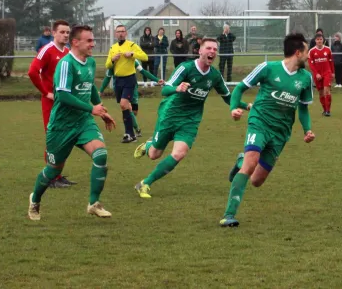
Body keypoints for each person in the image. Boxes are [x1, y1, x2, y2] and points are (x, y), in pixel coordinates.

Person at [133, 38, 251, 199]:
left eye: (215, 50)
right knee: (154, 154)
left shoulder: (215, 76)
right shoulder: (185, 68)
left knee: (179, 153)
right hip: (171, 115)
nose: (212, 52)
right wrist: (177, 88)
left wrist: (245, 106)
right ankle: (149, 145)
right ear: (199, 51)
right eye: (208, 48)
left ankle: (144, 183)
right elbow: (165, 90)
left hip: (190, 120)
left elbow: (228, 97)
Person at [219, 33, 316, 227]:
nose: (308, 56)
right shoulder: (267, 68)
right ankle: (228, 215)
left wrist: (307, 130)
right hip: (259, 122)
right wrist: (233, 109)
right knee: (251, 164)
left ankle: (240, 160)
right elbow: (239, 89)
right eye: (306, 52)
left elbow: (303, 108)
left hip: (281, 133)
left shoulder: (306, 78)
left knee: (256, 180)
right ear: (297, 52)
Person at [27, 25, 117, 221]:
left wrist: (100, 108)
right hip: (61, 125)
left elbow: (90, 86)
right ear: (76, 43)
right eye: (89, 41)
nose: (93, 43)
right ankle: (35, 199)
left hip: (83, 122)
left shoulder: (91, 62)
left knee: (100, 154)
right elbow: (63, 96)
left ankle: (94, 203)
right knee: (53, 170)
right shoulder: (66, 64)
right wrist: (91, 109)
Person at [27, 20, 75, 188]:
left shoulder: (68, 52)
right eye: (62, 32)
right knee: (53, 137)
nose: (65, 35)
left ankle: (58, 174)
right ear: (54, 33)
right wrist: (45, 92)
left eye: (68, 32)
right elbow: (32, 72)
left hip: (65, 103)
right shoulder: (46, 50)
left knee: (63, 138)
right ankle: (50, 177)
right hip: (50, 103)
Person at [105, 24, 149, 143]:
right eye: (118, 31)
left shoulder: (131, 45)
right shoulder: (113, 48)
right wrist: (113, 59)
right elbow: (107, 65)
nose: (120, 33)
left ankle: (128, 134)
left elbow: (145, 57)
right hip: (117, 80)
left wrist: (132, 54)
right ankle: (132, 134)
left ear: (126, 33)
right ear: (115, 34)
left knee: (124, 104)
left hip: (129, 79)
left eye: (123, 31)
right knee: (124, 106)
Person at [100, 59, 165, 138]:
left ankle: (133, 128)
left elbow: (143, 71)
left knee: (133, 112)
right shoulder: (114, 61)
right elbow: (108, 77)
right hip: (119, 88)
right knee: (126, 108)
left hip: (132, 87)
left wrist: (157, 80)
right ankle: (133, 131)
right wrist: (101, 90)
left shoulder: (133, 60)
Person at [308, 34, 334, 116]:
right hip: (318, 75)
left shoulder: (328, 49)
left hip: (327, 72)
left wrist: (332, 72)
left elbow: (331, 62)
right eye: (317, 39)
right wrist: (316, 74)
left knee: (327, 91)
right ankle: (324, 109)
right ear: (315, 41)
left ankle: (328, 111)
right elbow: (311, 65)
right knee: (321, 93)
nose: (319, 41)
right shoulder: (311, 51)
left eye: (321, 39)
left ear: (323, 40)